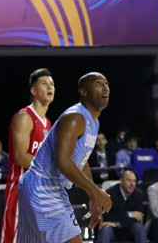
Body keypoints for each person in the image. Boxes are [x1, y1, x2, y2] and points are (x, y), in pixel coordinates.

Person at [17, 73, 113, 243]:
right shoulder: (75, 118)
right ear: (83, 91)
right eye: (98, 83)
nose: (105, 87)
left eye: (106, 83)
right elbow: (63, 161)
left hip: (43, 186)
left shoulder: (93, 122)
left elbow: (81, 160)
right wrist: (95, 192)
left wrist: (92, 196)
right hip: (42, 185)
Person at [0, 68, 55, 243]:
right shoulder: (24, 117)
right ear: (33, 91)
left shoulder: (48, 122)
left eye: (52, 84)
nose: (50, 87)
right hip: (21, 189)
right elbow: (20, 157)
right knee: (14, 239)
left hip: (41, 191)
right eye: (44, 83)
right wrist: (52, 167)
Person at [98, 169, 148, 243]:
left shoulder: (138, 194)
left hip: (129, 229)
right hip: (113, 230)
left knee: (139, 227)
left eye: (134, 181)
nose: (132, 184)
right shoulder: (110, 194)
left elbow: (138, 218)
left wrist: (118, 224)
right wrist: (129, 214)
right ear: (121, 181)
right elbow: (106, 217)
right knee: (105, 229)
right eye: (129, 180)